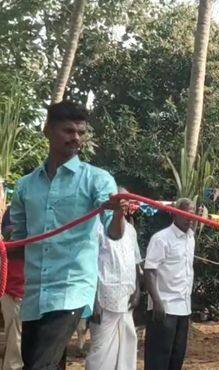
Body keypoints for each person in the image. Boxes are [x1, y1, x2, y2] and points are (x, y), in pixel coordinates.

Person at [9, 101, 127, 369]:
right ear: (47, 130)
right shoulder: (25, 186)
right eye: (69, 131)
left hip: (70, 289)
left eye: (81, 132)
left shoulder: (97, 179)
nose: (76, 138)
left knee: (38, 365)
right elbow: (16, 238)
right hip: (33, 294)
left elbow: (115, 234)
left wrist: (118, 211)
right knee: (40, 360)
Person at [85, 188, 142, 370]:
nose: (123, 204)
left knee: (126, 351)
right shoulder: (97, 228)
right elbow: (89, 264)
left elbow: (135, 263)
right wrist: (93, 300)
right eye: (120, 199)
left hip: (126, 299)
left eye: (126, 200)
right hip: (104, 300)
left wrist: (137, 290)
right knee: (100, 354)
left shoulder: (131, 230)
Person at [143, 198, 196, 370]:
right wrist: (157, 302)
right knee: (158, 358)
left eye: (193, 214)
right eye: (186, 214)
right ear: (175, 214)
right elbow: (149, 271)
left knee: (176, 357)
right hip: (164, 307)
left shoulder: (190, 238)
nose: (191, 218)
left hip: (183, 307)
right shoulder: (161, 238)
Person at [1, 210, 24, 370]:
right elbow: (8, 234)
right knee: (16, 338)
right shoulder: (13, 212)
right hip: (14, 288)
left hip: (29, 287)